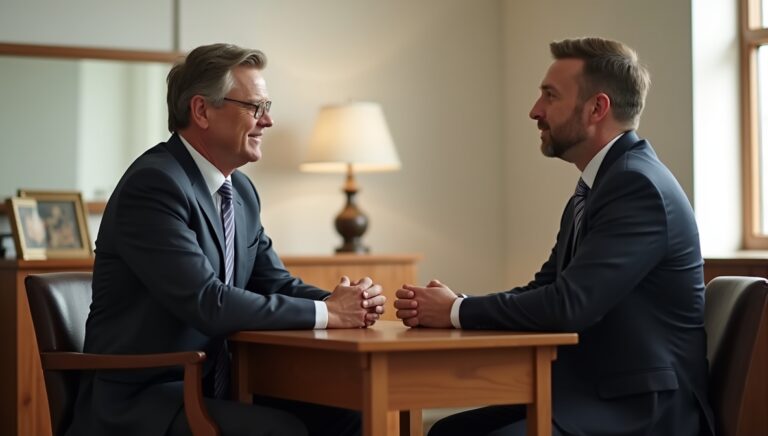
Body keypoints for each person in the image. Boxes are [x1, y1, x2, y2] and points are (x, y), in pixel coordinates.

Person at [395, 37, 715, 436]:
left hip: (643, 409)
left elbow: (567, 305)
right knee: (448, 432)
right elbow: (545, 289)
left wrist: (456, 311)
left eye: (550, 95)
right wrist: (455, 305)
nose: (535, 110)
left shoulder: (636, 186)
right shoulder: (599, 185)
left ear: (597, 108)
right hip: (591, 393)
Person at [66, 43, 386, 436]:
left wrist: (345, 303)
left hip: (220, 384)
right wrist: (330, 314)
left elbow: (275, 283)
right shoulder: (154, 185)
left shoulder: (242, 192)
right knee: (280, 431)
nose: (268, 120)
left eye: (267, 106)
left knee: (348, 413)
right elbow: (208, 301)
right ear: (202, 110)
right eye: (255, 107)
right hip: (145, 396)